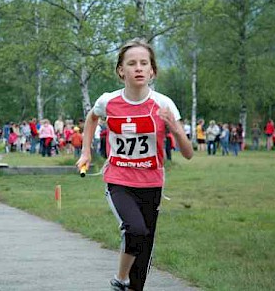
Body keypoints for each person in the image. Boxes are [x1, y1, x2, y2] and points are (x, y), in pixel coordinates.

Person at [76, 38, 193, 291]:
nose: (138, 68)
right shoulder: (108, 101)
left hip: (152, 183)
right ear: (121, 71)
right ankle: (119, 280)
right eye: (131, 63)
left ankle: (132, 285)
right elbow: (92, 118)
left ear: (152, 71)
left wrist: (174, 127)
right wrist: (86, 152)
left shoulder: (163, 104)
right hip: (119, 180)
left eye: (144, 63)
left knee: (145, 245)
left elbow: (188, 153)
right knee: (135, 230)